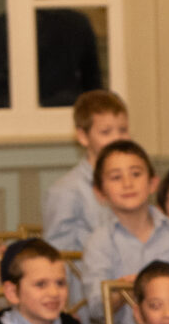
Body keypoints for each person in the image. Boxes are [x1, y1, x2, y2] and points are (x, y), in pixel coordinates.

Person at [77, 139, 169, 324]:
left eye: (136, 174)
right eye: (116, 177)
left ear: (153, 183)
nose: (128, 183)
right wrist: (119, 293)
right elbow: (96, 310)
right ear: (100, 192)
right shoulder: (98, 242)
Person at [43, 92, 132, 257]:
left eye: (123, 130)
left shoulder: (132, 182)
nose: (117, 139)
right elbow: (61, 257)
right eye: (106, 132)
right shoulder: (66, 191)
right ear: (83, 137)